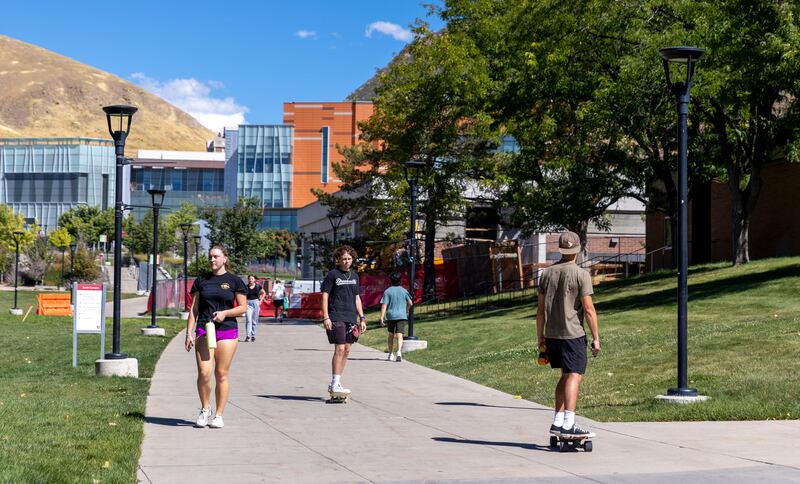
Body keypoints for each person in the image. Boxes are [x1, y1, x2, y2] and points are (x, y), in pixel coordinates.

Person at [536, 231, 601, 438]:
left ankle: (557, 421)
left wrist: (540, 338)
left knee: (565, 375)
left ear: (560, 249)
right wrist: (596, 338)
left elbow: (539, 311)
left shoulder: (546, 274)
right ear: (578, 249)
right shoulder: (581, 275)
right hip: (573, 334)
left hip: (552, 334)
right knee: (574, 375)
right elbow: (589, 310)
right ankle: (569, 423)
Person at [185, 245, 247, 429]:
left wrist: (225, 313)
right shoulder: (201, 280)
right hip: (205, 329)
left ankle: (219, 415)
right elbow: (194, 309)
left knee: (221, 373)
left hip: (226, 330)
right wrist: (189, 332)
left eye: (216, 257)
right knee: (204, 373)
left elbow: (243, 308)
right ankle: (205, 409)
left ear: (225, 259)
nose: (212, 260)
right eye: (210, 257)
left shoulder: (234, 281)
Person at [321, 245, 367, 395]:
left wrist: (362, 318)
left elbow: (357, 298)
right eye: (343, 259)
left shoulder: (354, 276)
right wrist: (326, 316)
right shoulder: (333, 275)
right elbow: (325, 295)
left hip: (350, 317)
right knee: (339, 349)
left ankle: (337, 382)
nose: (346, 261)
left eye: (349, 259)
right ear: (338, 260)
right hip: (336, 316)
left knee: (347, 350)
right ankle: (334, 383)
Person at [379, 272, 412, 362]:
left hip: (391, 316)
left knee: (391, 335)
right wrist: (406, 310)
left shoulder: (387, 291)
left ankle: (390, 354)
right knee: (400, 335)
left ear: (391, 280)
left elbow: (384, 305)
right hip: (402, 316)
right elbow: (410, 303)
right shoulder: (404, 291)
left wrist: (382, 317)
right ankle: (399, 353)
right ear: (400, 280)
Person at [244, 275, 266, 342]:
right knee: (248, 319)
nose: (250, 280)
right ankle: (248, 336)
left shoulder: (258, 286)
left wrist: (261, 300)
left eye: (251, 279)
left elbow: (263, 293)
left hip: (256, 303)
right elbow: (243, 295)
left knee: (254, 320)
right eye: (249, 279)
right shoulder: (246, 287)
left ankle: (253, 335)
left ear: (254, 280)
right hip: (248, 303)